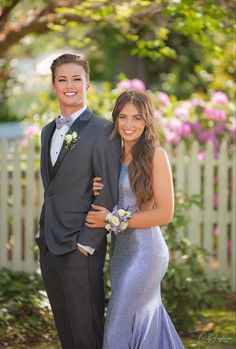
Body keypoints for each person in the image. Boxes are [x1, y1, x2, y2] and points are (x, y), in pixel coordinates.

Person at [85, 90, 185, 349]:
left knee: (117, 328)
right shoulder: (113, 157)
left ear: (147, 121)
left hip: (146, 253)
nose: (129, 125)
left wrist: (112, 219)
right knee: (142, 323)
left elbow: (165, 213)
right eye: (123, 117)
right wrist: (100, 189)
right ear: (115, 119)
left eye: (137, 118)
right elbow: (118, 199)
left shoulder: (156, 156)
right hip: (120, 254)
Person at [35, 53, 121, 349]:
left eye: (76, 79)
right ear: (53, 85)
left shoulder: (103, 130)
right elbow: (53, 189)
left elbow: (109, 190)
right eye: (62, 79)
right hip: (49, 244)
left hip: (80, 247)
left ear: (88, 85)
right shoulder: (48, 131)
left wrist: (87, 242)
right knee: (67, 334)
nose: (69, 85)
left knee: (87, 334)